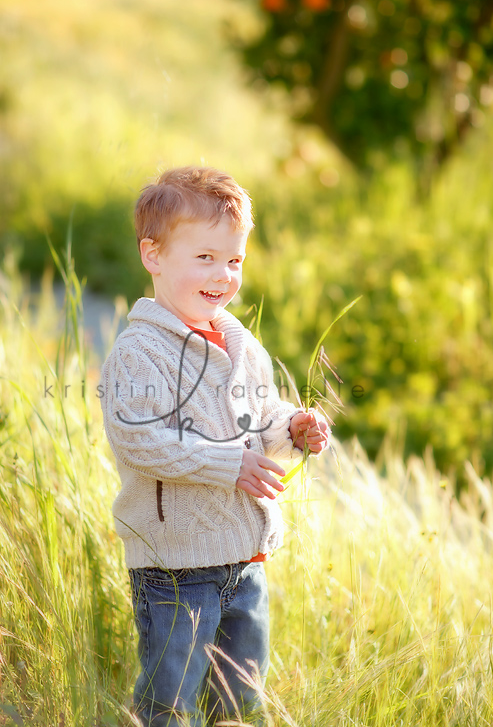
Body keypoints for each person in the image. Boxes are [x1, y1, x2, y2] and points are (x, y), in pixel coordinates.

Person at [100, 166, 329, 726]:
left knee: (238, 699)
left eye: (234, 261)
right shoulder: (139, 351)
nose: (223, 275)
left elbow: (259, 417)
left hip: (243, 562)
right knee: (170, 700)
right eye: (205, 258)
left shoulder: (237, 340)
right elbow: (140, 442)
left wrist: (291, 428)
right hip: (175, 566)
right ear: (153, 255)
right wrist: (229, 463)